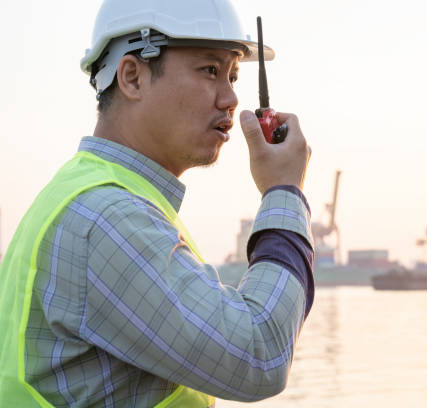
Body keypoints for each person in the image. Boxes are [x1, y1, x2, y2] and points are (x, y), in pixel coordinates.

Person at [0, 0, 314, 406]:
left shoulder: (96, 197)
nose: (231, 99)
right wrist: (284, 194)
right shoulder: (108, 218)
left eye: (233, 75)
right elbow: (259, 354)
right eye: (209, 71)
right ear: (132, 77)